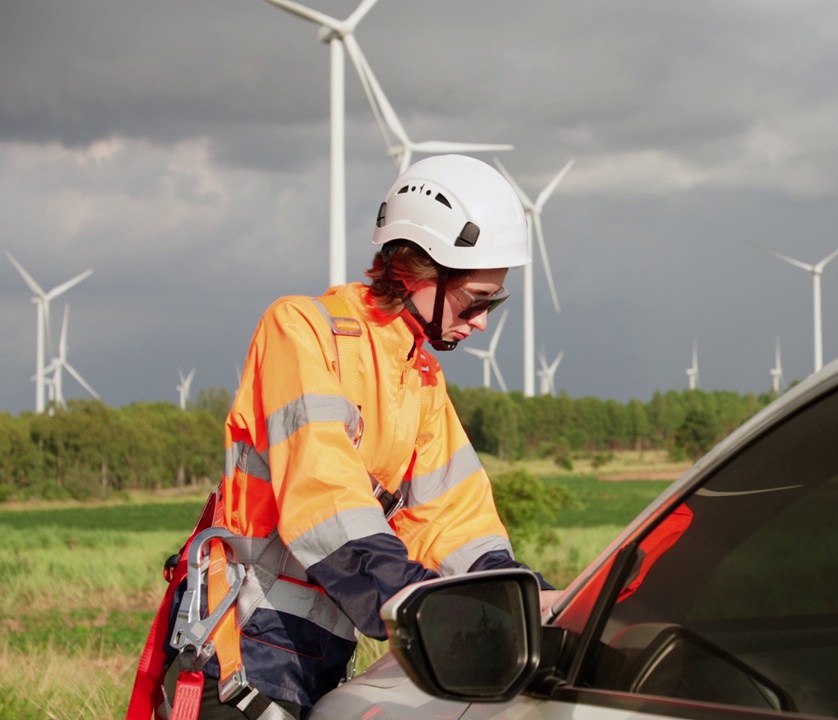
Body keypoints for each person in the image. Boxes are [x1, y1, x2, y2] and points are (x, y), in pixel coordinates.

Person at [128, 155, 555, 720]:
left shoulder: (419, 379)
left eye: (492, 304)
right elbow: (325, 496)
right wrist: (412, 599)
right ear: (418, 269)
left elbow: (456, 522)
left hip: (318, 659)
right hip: (238, 651)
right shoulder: (302, 330)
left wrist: (524, 600)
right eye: (476, 300)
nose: (481, 321)